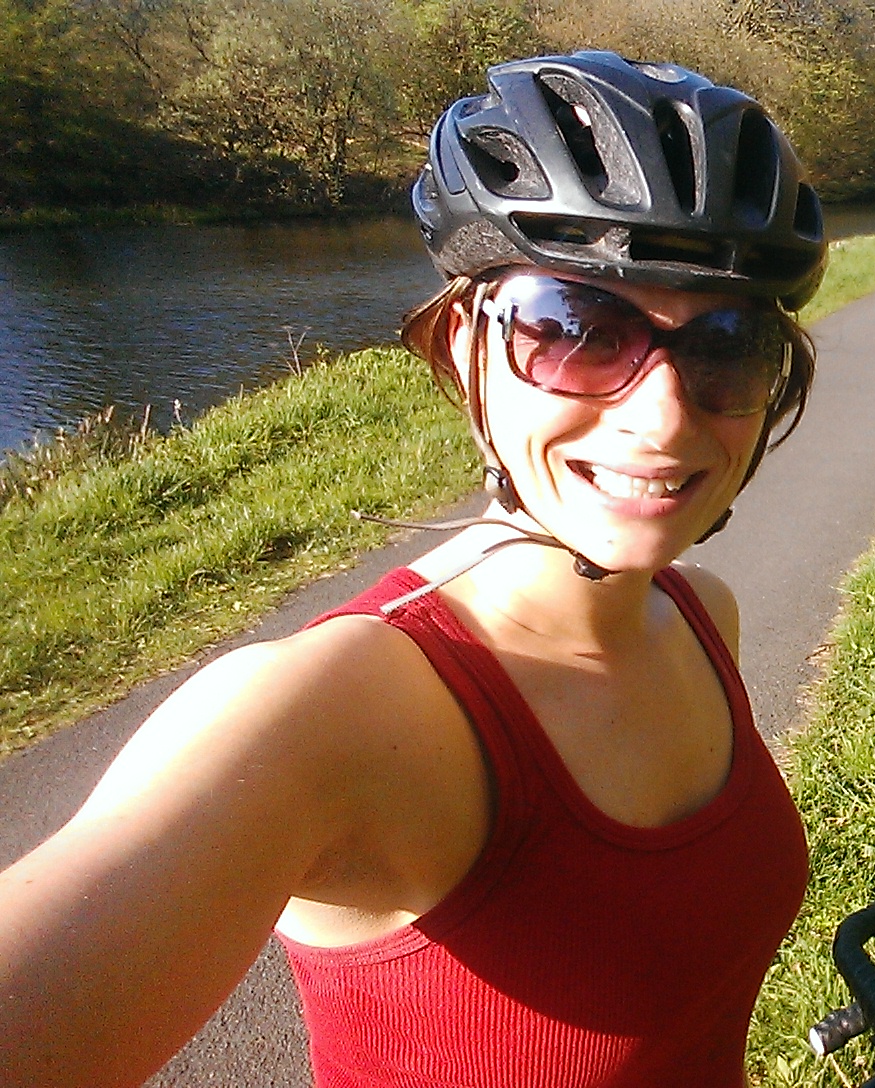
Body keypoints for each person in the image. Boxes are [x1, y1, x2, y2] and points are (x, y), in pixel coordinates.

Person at [0, 50, 828, 1088]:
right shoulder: (323, 709)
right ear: (464, 349)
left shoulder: (704, 614)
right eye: (576, 331)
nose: (662, 418)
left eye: (726, 346)